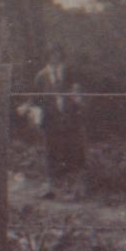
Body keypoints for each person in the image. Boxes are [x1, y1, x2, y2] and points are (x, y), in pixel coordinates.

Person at [34, 45, 86, 196]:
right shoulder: (41, 76)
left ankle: (77, 188)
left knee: (74, 151)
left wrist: (77, 102)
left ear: (61, 56)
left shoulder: (70, 73)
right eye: (51, 55)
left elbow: (78, 94)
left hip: (70, 118)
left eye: (57, 54)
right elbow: (36, 99)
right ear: (48, 56)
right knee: (52, 152)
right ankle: (52, 187)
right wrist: (37, 118)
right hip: (51, 119)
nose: (55, 57)